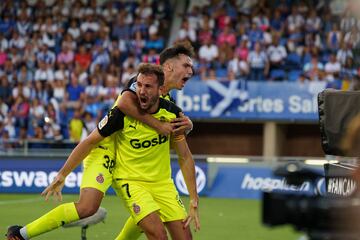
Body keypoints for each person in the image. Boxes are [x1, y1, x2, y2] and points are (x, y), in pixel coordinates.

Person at [6, 43, 195, 239]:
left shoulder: (168, 103)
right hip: (104, 148)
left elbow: (168, 139)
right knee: (88, 206)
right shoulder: (141, 84)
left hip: (128, 158)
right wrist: (63, 174)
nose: (191, 70)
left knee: (147, 212)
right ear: (170, 67)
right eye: (187, 66)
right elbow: (123, 103)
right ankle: (21, 234)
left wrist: (186, 127)